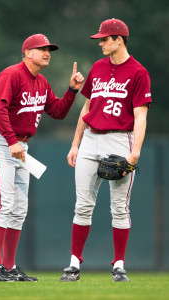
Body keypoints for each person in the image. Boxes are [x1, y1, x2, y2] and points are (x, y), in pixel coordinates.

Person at [0, 33, 84, 282]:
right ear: (27, 52)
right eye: (42, 48)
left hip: (20, 146)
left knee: (19, 208)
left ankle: (10, 267)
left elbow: (56, 112)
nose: (47, 53)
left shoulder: (42, 82)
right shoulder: (12, 74)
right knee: (4, 203)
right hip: (0, 141)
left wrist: (71, 91)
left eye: (49, 49)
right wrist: (11, 140)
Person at [59, 19, 152, 282]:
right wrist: (75, 143)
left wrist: (135, 152)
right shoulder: (98, 68)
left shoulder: (138, 72)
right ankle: (74, 264)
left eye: (104, 39)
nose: (100, 43)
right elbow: (86, 110)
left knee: (120, 208)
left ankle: (119, 265)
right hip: (90, 139)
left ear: (119, 40)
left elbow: (141, 117)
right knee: (83, 205)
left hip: (121, 140)